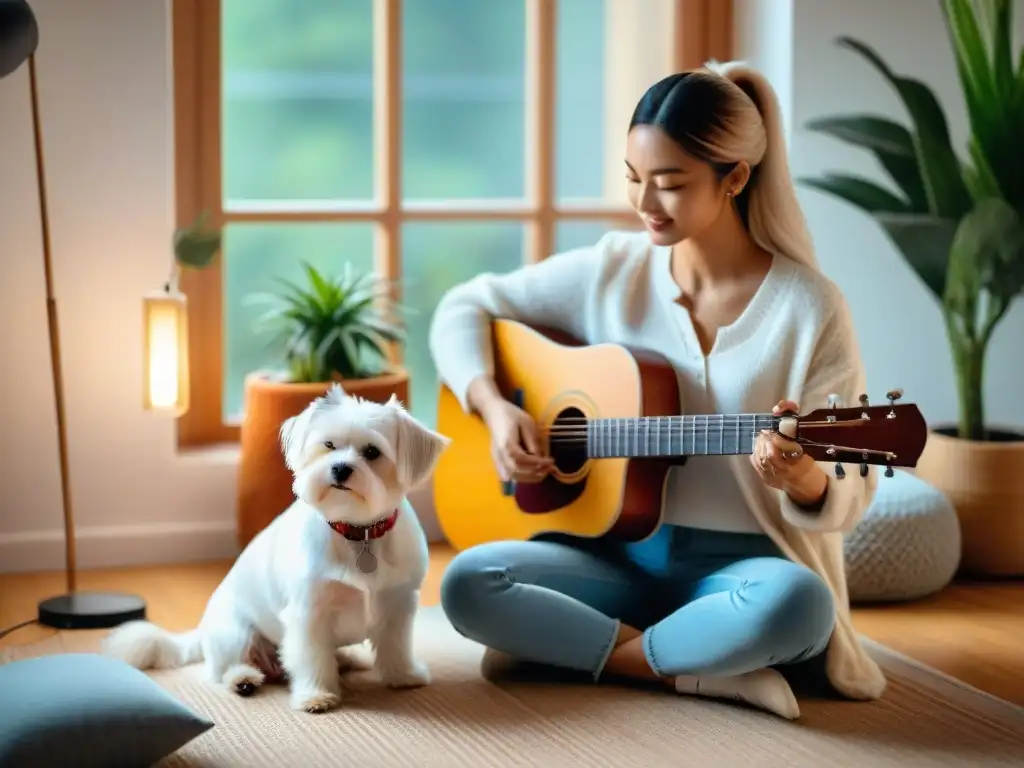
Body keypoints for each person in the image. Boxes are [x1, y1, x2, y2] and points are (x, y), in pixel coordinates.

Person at [427, 61, 886, 720]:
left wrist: (806, 478)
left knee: (800, 606)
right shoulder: (614, 270)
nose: (644, 205)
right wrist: (495, 408)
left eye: (669, 184)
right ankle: (688, 671)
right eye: (635, 179)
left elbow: (849, 491)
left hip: (741, 575)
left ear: (734, 178)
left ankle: (585, 653)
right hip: (615, 561)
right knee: (470, 583)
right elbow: (461, 307)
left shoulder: (808, 307)